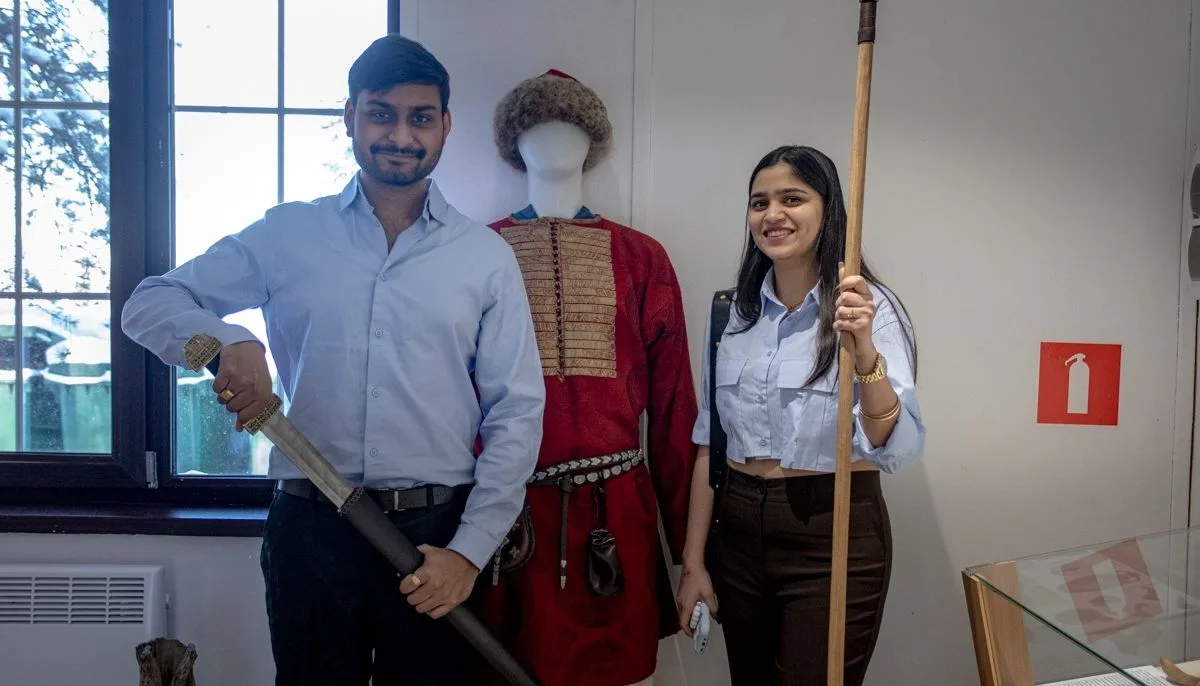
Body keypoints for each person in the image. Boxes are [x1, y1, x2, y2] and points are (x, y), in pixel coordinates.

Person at [121, 35, 546, 685]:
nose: (400, 135)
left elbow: (516, 412)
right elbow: (149, 302)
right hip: (311, 533)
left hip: (436, 535)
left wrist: (469, 552)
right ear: (349, 117)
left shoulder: (485, 259)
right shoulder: (288, 233)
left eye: (420, 117)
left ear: (445, 125)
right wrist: (226, 339)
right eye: (380, 114)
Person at [474, 69, 697, 686]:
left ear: (593, 143)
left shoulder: (641, 256)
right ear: (512, 143)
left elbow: (676, 409)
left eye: (571, 128)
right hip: (507, 515)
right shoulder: (478, 252)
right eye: (536, 127)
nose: (554, 141)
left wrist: (691, 553)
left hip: (615, 513)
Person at [674, 144, 924, 686]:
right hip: (738, 530)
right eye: (759, 202)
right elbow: (709, 443)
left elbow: (892, 443)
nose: (773, 215)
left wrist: (864, 351)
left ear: (827, 208)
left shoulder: (868, 309)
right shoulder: (732, 314)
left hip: (831, 530)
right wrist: (693, 562)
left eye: (792, 199)